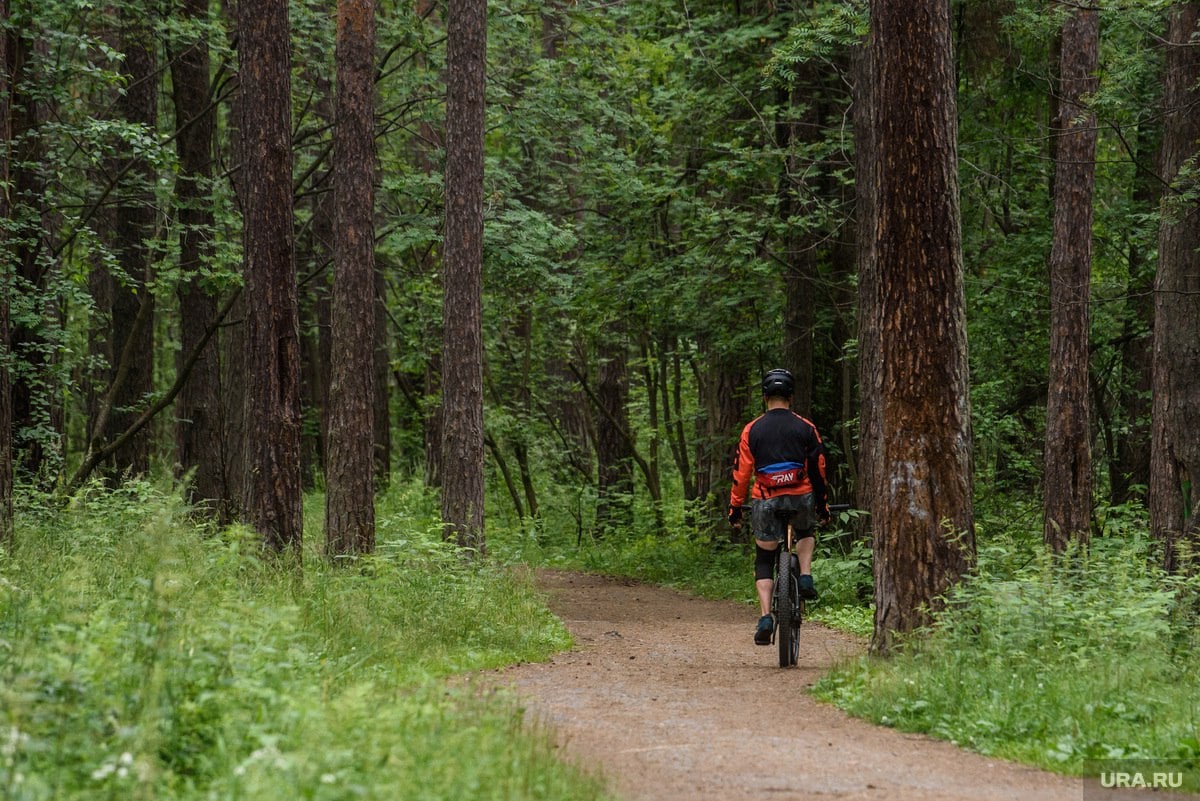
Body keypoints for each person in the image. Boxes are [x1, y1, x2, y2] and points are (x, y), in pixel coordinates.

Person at [728, 368, 829, 646]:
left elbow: (741, 474)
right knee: (805, 530)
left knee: (764, 556)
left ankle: (764, 617)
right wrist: (822, 506)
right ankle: (805, 576)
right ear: (791, 397)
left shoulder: (752, 429)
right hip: (801, 497)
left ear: (765, 397)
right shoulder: (806, 427)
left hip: (765, 499)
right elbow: (818, 469)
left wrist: (735, 508)